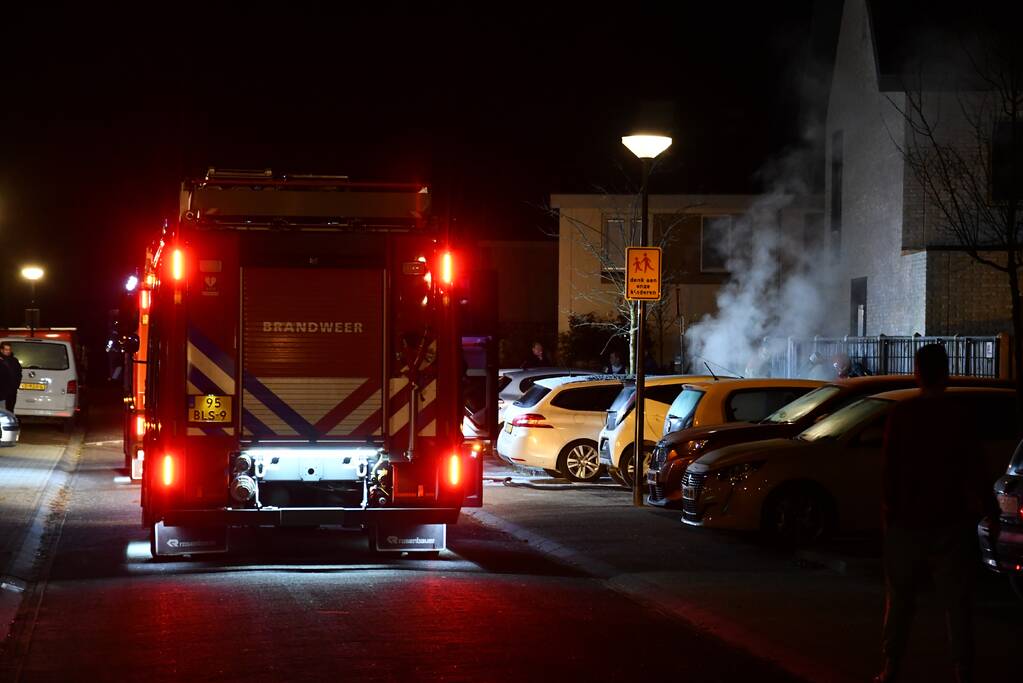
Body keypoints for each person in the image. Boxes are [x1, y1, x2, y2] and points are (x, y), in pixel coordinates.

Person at [874, 343, 991, 683]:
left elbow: (889, 471)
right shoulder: (959, 415)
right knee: (957, 602)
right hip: (950, 521)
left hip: (908, 521)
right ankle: (962, 670)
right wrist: (990, 510)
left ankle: (891, 667)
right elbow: (976, 467)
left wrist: (888, 514)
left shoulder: (903, 414)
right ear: (947, 373)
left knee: (899, 600)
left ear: (917, 373)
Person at [0, 342, 23, 412]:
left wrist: (16, 385)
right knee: (2, 410)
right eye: (6, 349)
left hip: (11, 391)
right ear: (1, 350)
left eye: (9, 349)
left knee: (10, 410)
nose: (8, 351)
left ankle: (9, 422)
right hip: (1, 391)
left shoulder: (14, 361)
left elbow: (19, 373)